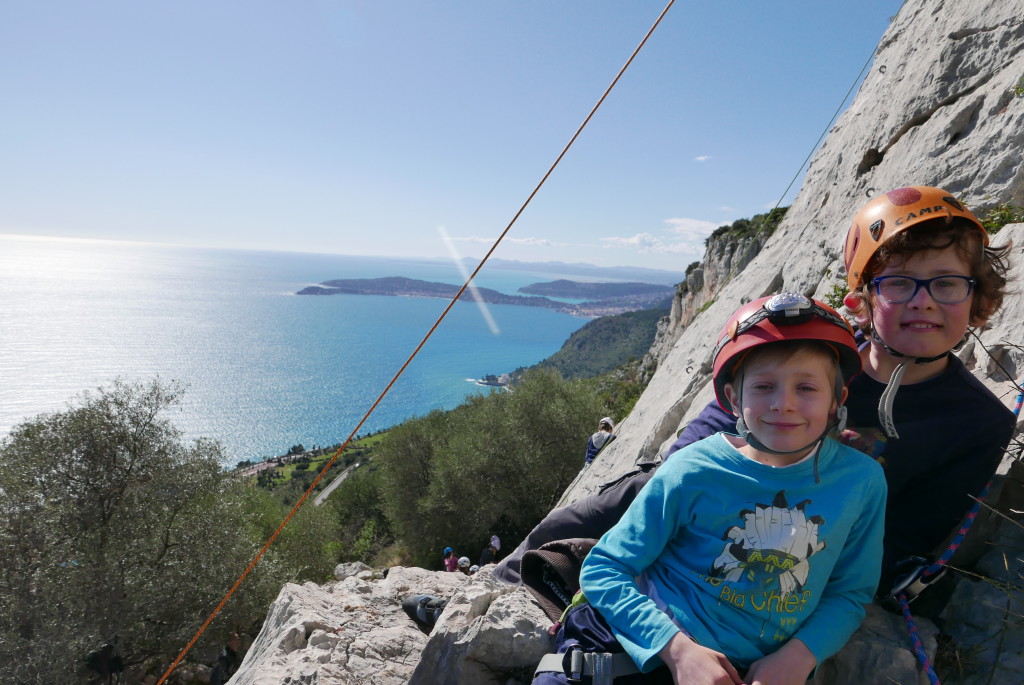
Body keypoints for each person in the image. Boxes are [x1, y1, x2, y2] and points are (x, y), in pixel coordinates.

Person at [498, 186, 1015, 611]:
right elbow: (712, 426)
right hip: (713, 491)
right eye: (900, 284)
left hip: (800, 548)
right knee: (609, 505)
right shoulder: (811, 350)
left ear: (976, 297)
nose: (923, 301)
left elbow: (906, 538)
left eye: (947, 283)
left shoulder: (977, 422)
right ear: (862, 301)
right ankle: (494, 588)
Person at [564, 294, 887, 685]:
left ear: (837, 401)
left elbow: (849, 593)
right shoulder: (693, 469)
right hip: (640, 646)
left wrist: (799, 657)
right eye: (764, 386)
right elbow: (605, 567)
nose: (783, 404)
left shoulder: (861, 482)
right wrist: (678, 651)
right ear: (734, 398)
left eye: (807, 388)